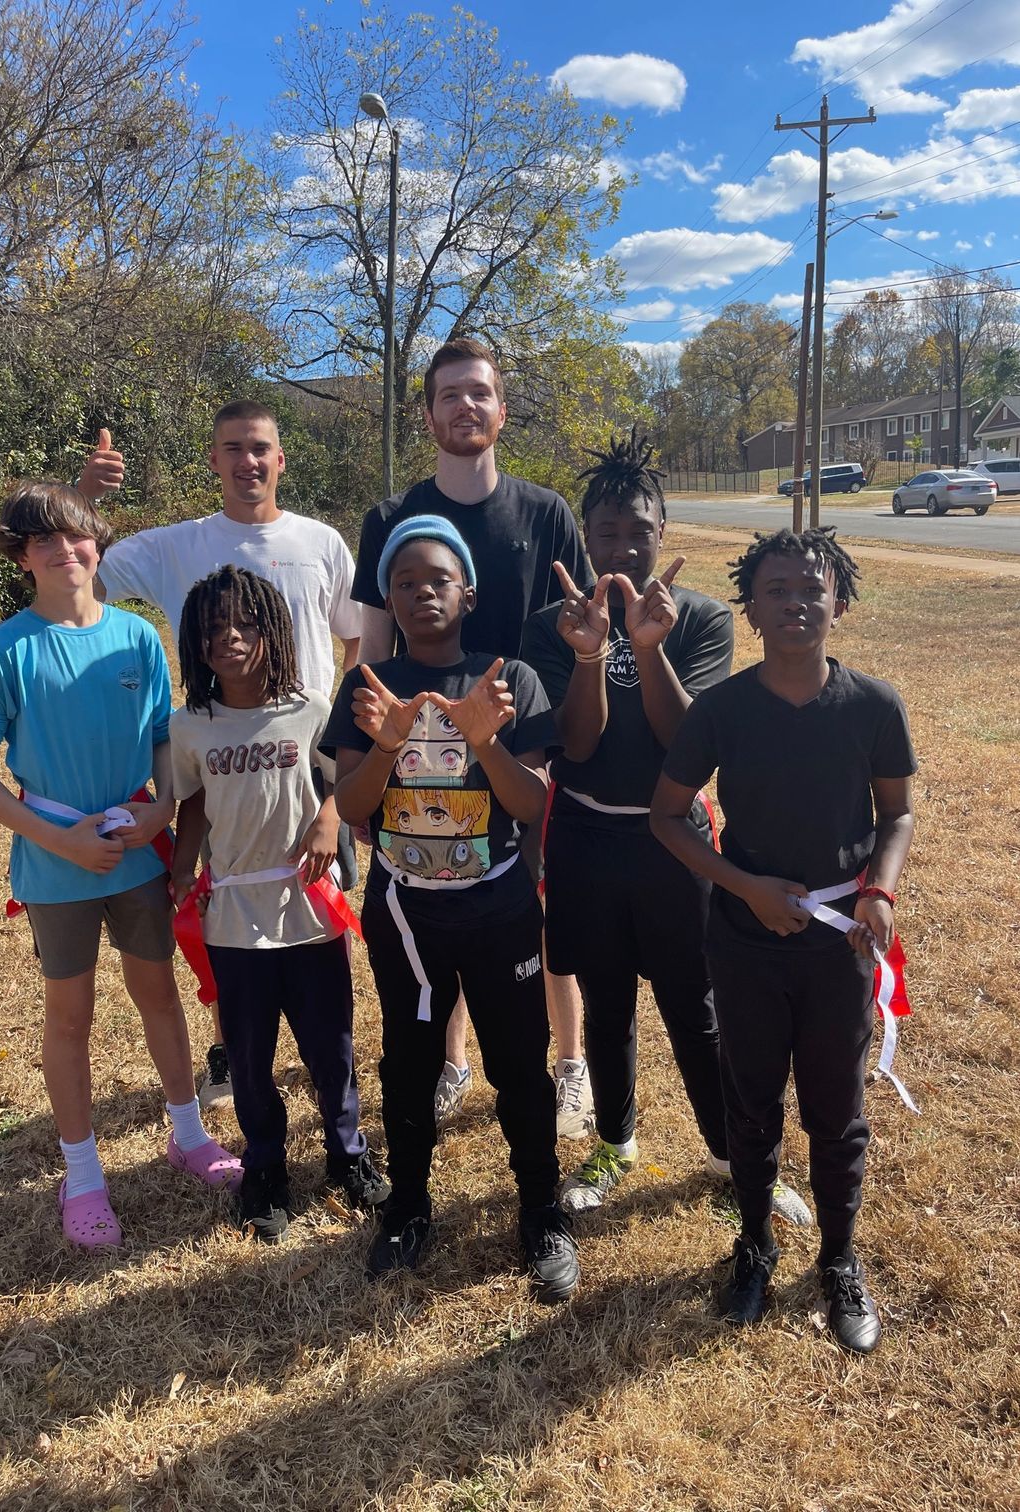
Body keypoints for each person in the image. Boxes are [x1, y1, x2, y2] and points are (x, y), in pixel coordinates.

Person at [520, 430, 811, 1228]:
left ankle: (731, 1156)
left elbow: (692, 746)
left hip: (674, 839)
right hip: (584, 838)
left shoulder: (703, 619)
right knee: (607, 1005)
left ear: (662, 534)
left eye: (639, 531)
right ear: (585, 537)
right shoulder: (553, 623)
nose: (623, 547)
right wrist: (589, 655)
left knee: (697, 1006)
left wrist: (647, 647)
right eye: (607, 532)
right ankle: (616, 1141)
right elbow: (574, 746)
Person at [0, 482, 241, 1250]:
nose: (65, 552)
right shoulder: (4, 649)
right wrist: (62, 842)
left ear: (98, 546)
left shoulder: (138, 638)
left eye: (78, 537)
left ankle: (189, 1135)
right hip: (57, 864)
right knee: (70, 1018)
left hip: (137, 853)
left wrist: (162, 812)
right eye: (44, 542)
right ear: (22, 558)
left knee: (158, 995)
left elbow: (162, 742)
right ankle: (82, 1175)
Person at [650, 527, 916, 1354]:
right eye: (777, 591)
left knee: (836, 1112)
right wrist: (746, 889)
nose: (797, 603)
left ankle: (838, 1258)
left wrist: (879, 888)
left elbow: (896, 812)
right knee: (752, 1103)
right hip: (746, 940)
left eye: (812, 587)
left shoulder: (873, 705)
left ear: (840, 598)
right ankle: (755, 1244)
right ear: (752, 608)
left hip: (839, 946)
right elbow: (668, 815)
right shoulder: (724, 710)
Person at [323, 515, 580, 1302]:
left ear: (467, 593)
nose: (422, 592)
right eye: (404, 582)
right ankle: (407, 1207)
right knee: (408, 1060)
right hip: (405, 912)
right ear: (388, 600)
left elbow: (534, 806)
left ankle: (540, 1209)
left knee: (516, 1063)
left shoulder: (507, 680)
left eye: (438, 579)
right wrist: (393, 744)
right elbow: (353, 804)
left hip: (499, 903)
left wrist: (484, 740)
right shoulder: (369, 687)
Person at [76, 403, 362, 1109]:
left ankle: (332, 1056)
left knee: (323, 921)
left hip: (310, 771)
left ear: (281, 459)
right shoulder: (179, 545)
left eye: (260, 447)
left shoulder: (321, 542)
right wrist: (82, 502)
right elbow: (82, 581)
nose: (248, 462)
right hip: (223, 773)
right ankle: (236, 1050)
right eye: (232, 448)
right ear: (213, 460)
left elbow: (356, 636)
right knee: (230, 914)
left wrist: (344, 735)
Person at [352, 337, 594, 1137]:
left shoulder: (546, 513)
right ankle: (451, 1061)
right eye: (449, 395)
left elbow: (580, 630)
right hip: (423, 759)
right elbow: (374, 646)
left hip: (519, 743)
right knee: (442, 903)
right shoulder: (391, 518)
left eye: (479, 393)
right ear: (428, 414)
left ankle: (568, 1065)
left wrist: (552, 734)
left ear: (501, 409)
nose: (466, 406)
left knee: (537, 913)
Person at [168, 566, 387, 1242]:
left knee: (331, 1048)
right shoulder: (190, 726)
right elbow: (195, 802)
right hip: (235, 920)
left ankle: (347, 1155)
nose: (229, 639)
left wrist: (328, 815)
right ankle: (265, 1168)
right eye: (213, 630)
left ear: (273, 631)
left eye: (245, 625)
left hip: (310, 914)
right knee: (250, 1058)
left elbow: (343, 781)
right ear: (195, 644)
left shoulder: (310, 710)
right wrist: (179, 869)